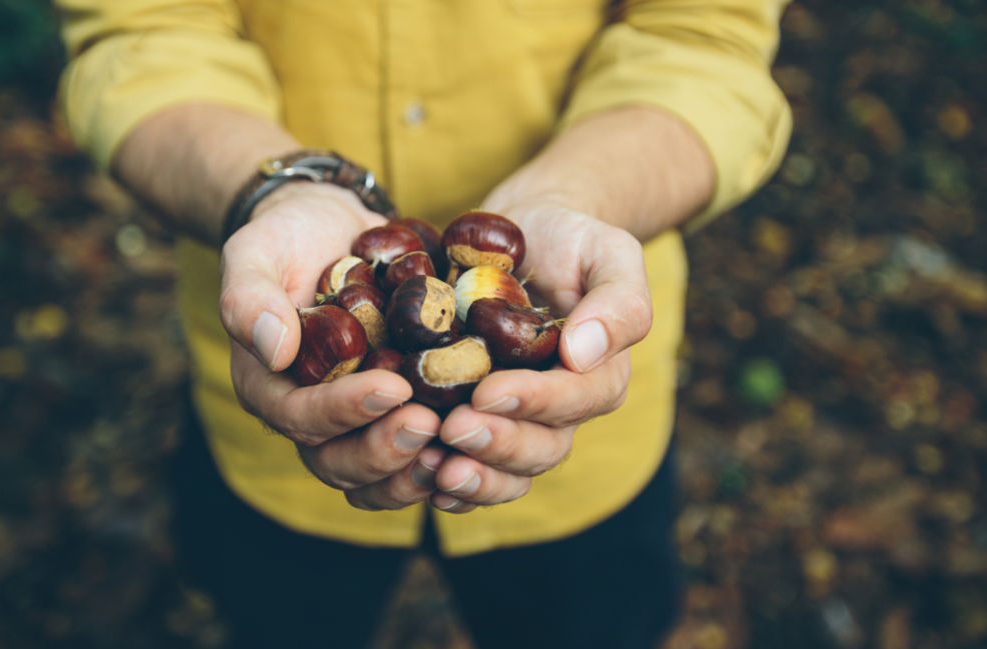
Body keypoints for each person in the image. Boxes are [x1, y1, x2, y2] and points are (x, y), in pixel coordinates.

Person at [55, 1, 791, 646]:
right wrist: (270, 192)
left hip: (583, 434)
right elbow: (142, 34)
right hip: (267, 426)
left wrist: (581, 193)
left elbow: (704, 37)